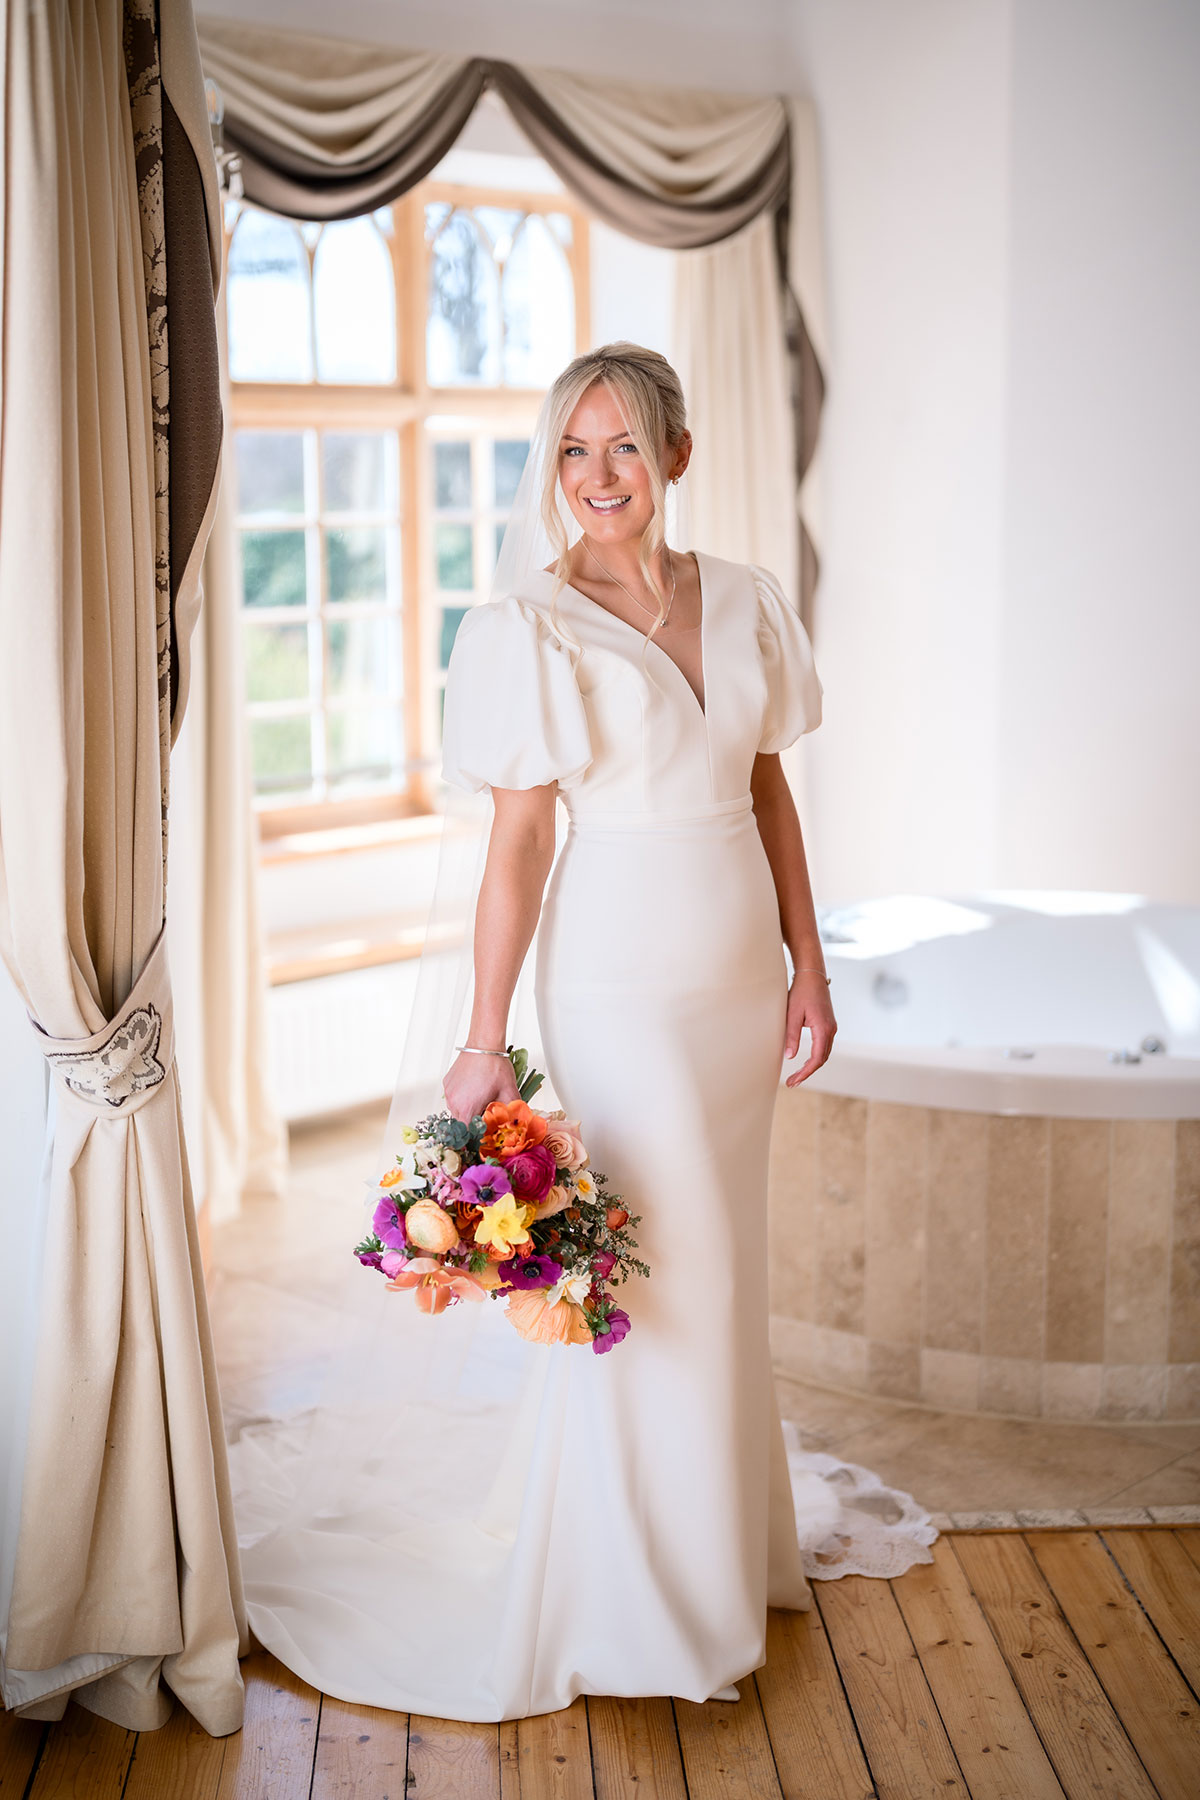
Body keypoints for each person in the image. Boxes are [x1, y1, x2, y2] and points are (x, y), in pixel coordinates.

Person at [230, 342, 933, 1721]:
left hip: (738, 984)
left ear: (675, 456)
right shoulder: (529, 627)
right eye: (571, 452)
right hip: (614, 981)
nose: (598, 476)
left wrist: (813, 965)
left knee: (722, 1268)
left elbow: (772, 795)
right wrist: (484, 1038)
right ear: (551, 474)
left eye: (623, 447)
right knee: (647, 1276)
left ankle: (721, 1560)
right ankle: (636, 1599)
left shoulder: (746, 604)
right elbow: (517, 850)